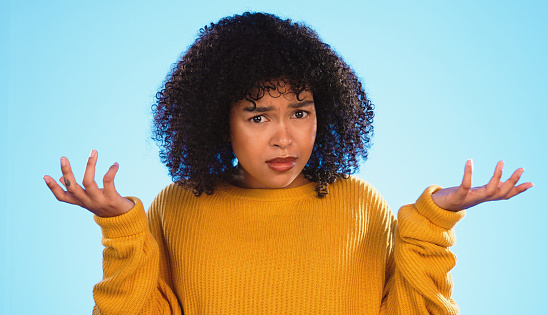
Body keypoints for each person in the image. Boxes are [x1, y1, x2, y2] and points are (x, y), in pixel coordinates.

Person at [43, 12, 532, 314]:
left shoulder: (358, 202)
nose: (285, 137)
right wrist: (120, 228)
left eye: (300, 112)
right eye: (258, 117)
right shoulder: (179, 207)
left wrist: (431, 224)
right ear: (220, 122)